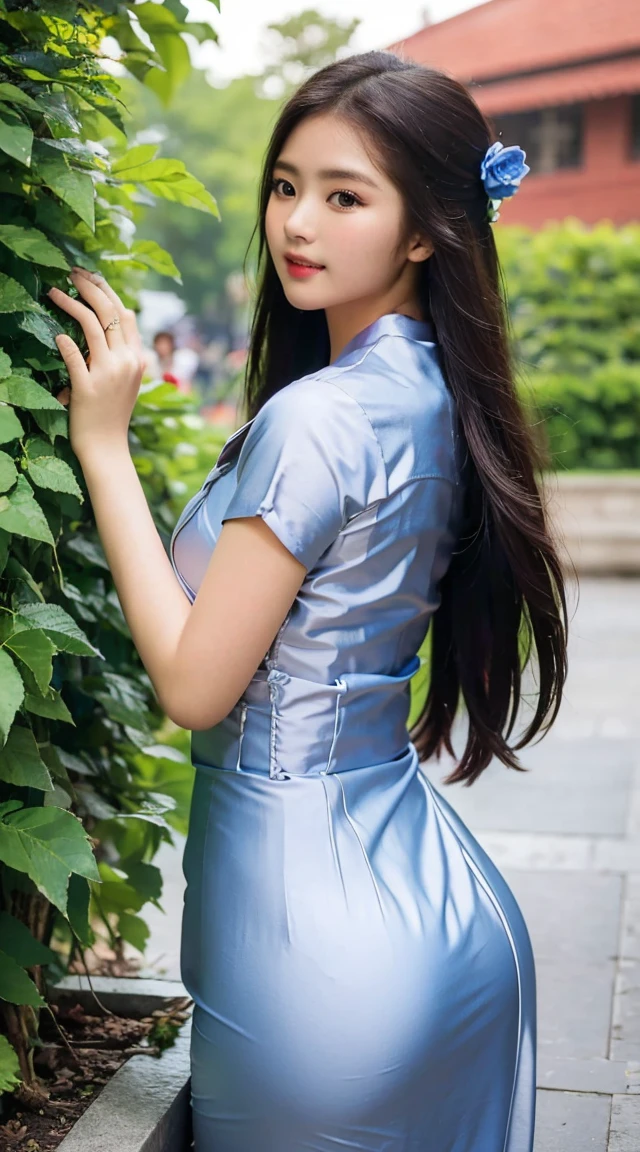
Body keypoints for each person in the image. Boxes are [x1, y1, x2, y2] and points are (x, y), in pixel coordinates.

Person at [48, 49, 569, 1152]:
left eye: (345, 196)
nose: (297, 222)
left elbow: (195, 684)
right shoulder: (433, 389)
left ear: (425, 229)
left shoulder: (320, 420)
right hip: (435, 913)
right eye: (286, 185)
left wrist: (102, 446)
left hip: (312, 955)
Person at [143, 329, 198, 393]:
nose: (162, 347)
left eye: (165, 344)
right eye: (160, 343)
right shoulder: (150, 361)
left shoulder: (181, 361)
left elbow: (185, 385)